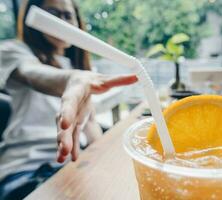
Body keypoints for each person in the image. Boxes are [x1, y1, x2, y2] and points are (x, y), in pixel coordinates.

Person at [0, 0, 137, 199]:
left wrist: (106, 161)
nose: (62, 21)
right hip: (26, 170)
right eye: (53, 13)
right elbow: (32, 72)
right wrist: (72, 79)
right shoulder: (14, 51)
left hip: (71, 168)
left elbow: (90, 126)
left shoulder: (77, 66)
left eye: (67, 15)